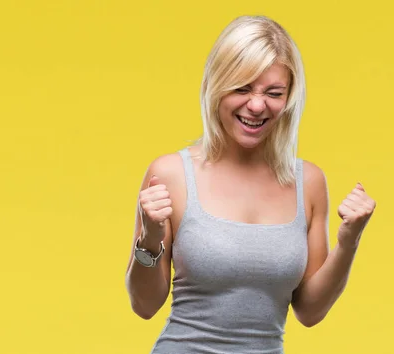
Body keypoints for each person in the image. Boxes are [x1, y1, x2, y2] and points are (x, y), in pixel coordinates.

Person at [124, 15, 376, 354]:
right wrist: (150, 238)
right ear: (216, 86)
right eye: (242, 88)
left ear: (289, 99)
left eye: (273, 93)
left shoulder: (309, 183)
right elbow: (145, 306)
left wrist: (348, 242)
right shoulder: (171, 174)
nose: (257, 106)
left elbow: (310, 311)